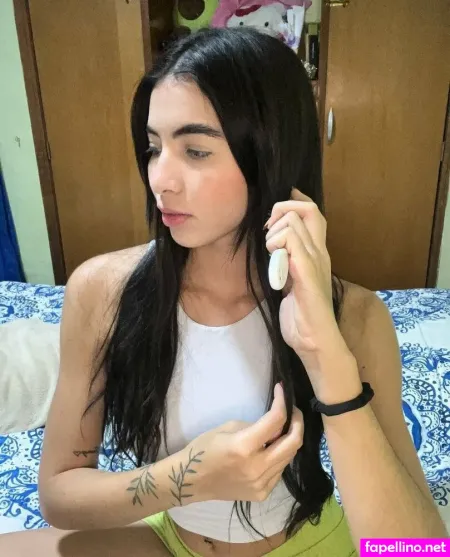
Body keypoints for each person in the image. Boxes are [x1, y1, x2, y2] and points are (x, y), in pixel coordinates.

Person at [1, 27, 445, 557]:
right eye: (153, 148)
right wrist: (189, 478)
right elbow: (59, 493)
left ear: (269, 154)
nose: (160, 179)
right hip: (172, 540)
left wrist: (325, 354)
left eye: (195, 150)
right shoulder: (102, 291)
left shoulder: (355, 315)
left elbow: (413, 548)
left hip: (310, 541)